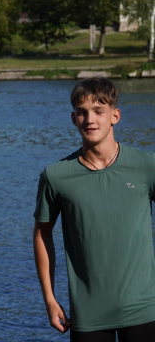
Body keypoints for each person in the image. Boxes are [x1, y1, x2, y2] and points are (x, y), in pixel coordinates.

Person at [33, 77, 155, 341]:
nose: (90, 119)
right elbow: (42, 234)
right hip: (87, 316)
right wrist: (49, 299)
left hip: (145, 311)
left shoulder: (146, 166)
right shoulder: (56, 176)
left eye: (99, 111)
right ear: (73, 118)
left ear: (115, 116)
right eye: (82, 112)